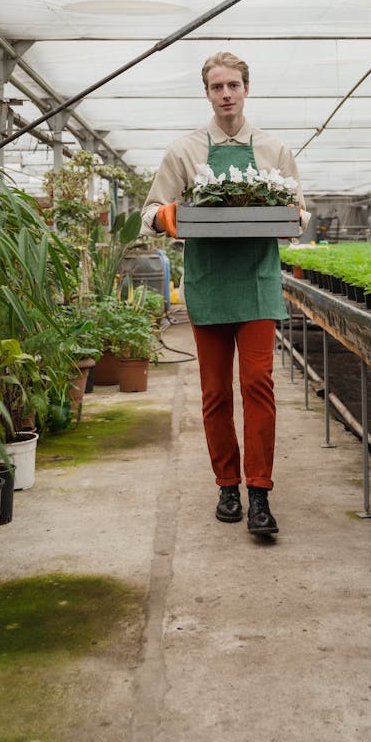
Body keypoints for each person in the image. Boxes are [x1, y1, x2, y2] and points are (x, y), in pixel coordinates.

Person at [141, 51, 309, 537]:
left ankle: (260, 492)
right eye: (217, 87)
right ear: (208, 93)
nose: (226, 94)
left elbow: (298, 210)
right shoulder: (185, 151)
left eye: (233, 85)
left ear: (246, 89)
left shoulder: (273, 150)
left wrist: (294, 219)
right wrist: (168, 216)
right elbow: (147, 212)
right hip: (208, 283)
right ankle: (227, 486)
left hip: (257, 280)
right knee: (215, 393)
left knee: (258, 385)